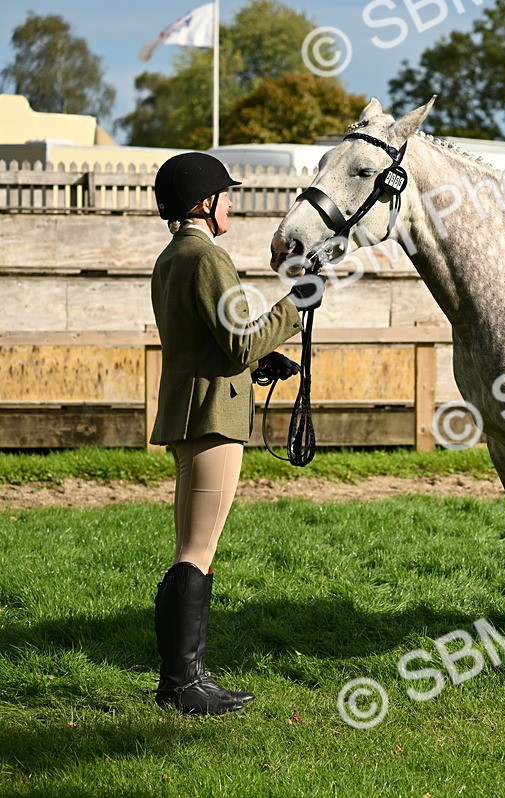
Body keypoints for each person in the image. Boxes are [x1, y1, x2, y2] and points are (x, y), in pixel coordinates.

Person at [149, 152, 321, 715]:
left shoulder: (173, 256)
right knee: (196, 551)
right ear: (205, 203)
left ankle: (185, 679)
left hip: (190, 409)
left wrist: (253, 366)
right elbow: (241, 341)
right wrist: (297, 303)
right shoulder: (207, 257)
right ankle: (182, 685)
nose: (231, 203)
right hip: (212, 419)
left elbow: (216, 345)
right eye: (225, 195)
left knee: (192, 547)